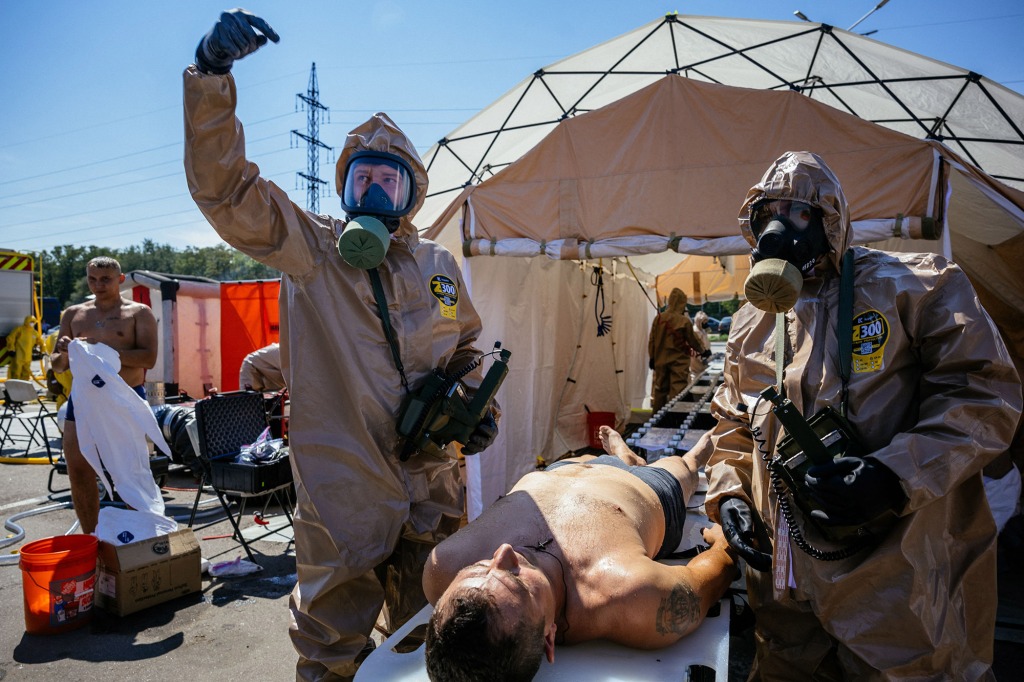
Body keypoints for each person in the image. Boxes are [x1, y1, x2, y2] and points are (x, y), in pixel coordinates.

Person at [185, 10, 498, 680]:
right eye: (363, 179)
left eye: (390, 180)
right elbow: (227, 189)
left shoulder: (439, 265)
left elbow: (467, 347)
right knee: (332, 647)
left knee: (426, 629)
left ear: (413, 191)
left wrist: (476, 411)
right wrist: (212, 77)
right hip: (343, 490)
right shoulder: (313, 251)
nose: (375, 191)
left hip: (432, 481)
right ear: (343, 187)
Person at [702, 151, 1022, 679]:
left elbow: (985, 394)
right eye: (770, 213)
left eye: (800, 213)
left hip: (895, 576)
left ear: (831, 220)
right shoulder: (751, 322)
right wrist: (730, 495)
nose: (780, 228)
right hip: (782, 580)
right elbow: (734, 422)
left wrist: (895, 475)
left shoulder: (916, 287)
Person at [423, 428, 738, 681]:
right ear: (549, 638)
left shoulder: (443, 568)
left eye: (476, 569)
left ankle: (622, 453)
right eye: (515, 580)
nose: (503, 553)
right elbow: (714, 572)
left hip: (560, 470)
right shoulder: (630, 595)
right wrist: (723, 539)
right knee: (683, 465)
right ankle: (695, 451)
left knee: (600, 457)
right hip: (645, 490)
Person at [50, 257, 159, 534]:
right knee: (78, 468)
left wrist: (100, 350)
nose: (98, 285)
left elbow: (148, 358)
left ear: (120, 280)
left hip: (125, 397)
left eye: (105, 279)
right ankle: (91, 538)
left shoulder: (139, 312)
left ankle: (144, 538)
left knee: (131, 474)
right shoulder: (74, 314)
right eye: (92, 279)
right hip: (84, 399)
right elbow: (58, 365)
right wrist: (64, 351)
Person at [648, 288, 709, 411]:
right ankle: (674, 421)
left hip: (660, 361)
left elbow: (652, 340)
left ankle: (656, 423)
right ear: (682, 303)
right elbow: (693, 341)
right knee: (677, 392)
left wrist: (652, 357)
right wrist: (704, 351)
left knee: (659, 391)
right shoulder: (684, 321)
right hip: (678, 363)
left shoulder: (659, 318)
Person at [4, 315, 42, 381]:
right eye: (31, 321)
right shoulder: (19, 329)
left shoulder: (34, 333)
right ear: (26, 321)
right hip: (18, 356)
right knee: (16, 372)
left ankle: (23, 387)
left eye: (33, 322)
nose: (32, 323)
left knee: (26, 374)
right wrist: (11, 349)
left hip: (28, 357)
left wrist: (42, 352)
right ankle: (12, 387)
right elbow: (10, 338)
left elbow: (41, 342)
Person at [688, 310, 712, 384]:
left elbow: (706, 341)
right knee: (696, 377)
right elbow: (694, 347)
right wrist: (702, 356)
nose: (705, 323)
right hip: (697, 358)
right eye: (704, 321)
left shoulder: (702, 330)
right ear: (699, 321)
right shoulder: (695, 331)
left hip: (704, 357)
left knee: (704, 376)